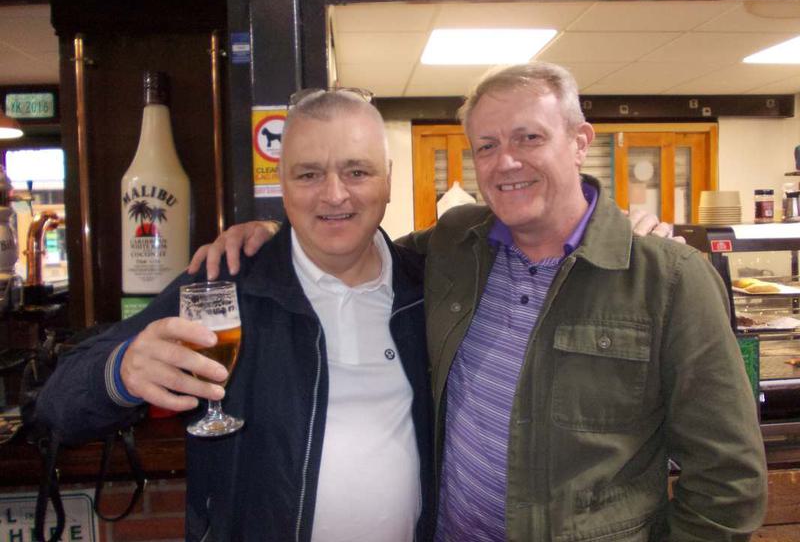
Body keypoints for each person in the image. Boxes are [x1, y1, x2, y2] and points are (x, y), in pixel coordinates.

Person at [194, 62, 767, 541]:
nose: (505, 161)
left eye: (528, 138)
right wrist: (272, 234)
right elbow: (350, 240)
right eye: (486, 146)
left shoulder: (669, 280)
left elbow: (730, 482)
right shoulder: (456, 244)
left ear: (580, 142)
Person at [35, 89, 434, 542]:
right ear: (281, 184)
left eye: (357, 172)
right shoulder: (224, 283)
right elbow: (57, 407)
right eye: (308, 174)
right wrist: (120, 371)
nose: (334, 194)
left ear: (388, 180)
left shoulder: (431, 289)